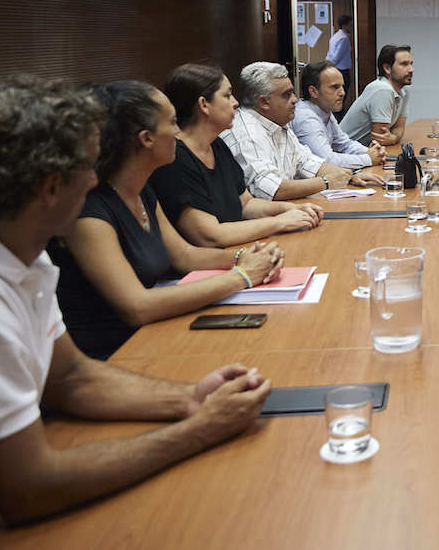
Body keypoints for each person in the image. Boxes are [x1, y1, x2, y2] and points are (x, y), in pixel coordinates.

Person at [0, 75, 271, 526]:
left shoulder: (27, 261)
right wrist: (198, 430)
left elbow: (72, 378)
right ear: (49, 189)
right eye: (86, 167)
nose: (93, 178)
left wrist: (193, 399)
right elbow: (27, 489)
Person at [48, 80, 284, 360]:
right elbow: (137, 306)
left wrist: (245, 257)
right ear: (146, 138)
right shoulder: (89, 209)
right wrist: (242, 276)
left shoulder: (141, 188)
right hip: (117, 355)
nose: (178, 131)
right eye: (172, 123)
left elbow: (183, 255)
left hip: (158, 334)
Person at [151, 63, 324, 248]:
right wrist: (280, 221)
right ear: (204, 105)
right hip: (205, 267)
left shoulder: (216, 145)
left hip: (236, 250)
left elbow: (246, 204)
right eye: (227, 95)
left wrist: (291, 209)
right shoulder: (175, 158)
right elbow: (210, 236)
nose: (235, 102)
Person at [223, 62, 382, 201]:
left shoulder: (279, 125)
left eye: (293, 92)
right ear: (264, 102)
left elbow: (309, 162)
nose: (295, 100)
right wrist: (326, 182)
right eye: (287, 95)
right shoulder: (248, 133)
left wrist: (349, 176)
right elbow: (269, 189)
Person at [289, 60, 387, 170]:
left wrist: (372, 152)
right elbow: (327, 161)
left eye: (342, 86)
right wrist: (368, 158)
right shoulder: (306, 118)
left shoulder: (324, 110)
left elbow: (345, 144)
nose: (342, 93)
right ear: (313, 91)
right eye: (335, 87)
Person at [341, 44, 413, 147]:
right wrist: (393, 139)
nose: (411, 70)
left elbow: (399, 128)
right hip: (344, 154)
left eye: (411, 64)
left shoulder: (404, 89)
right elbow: (380, 141)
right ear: (387, 68)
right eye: (404, 64)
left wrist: (394, 138)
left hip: (364, 151)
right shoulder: (382, 90)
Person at [327, 15, 354, 99]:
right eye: (350, 25)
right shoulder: (344, 38)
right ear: (344, 25)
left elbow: (330, 55)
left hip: (335, 69)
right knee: (340, 97)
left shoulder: (335, 36)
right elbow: (336, 57)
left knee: (336, 96)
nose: (352, 27)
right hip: (342, 72)